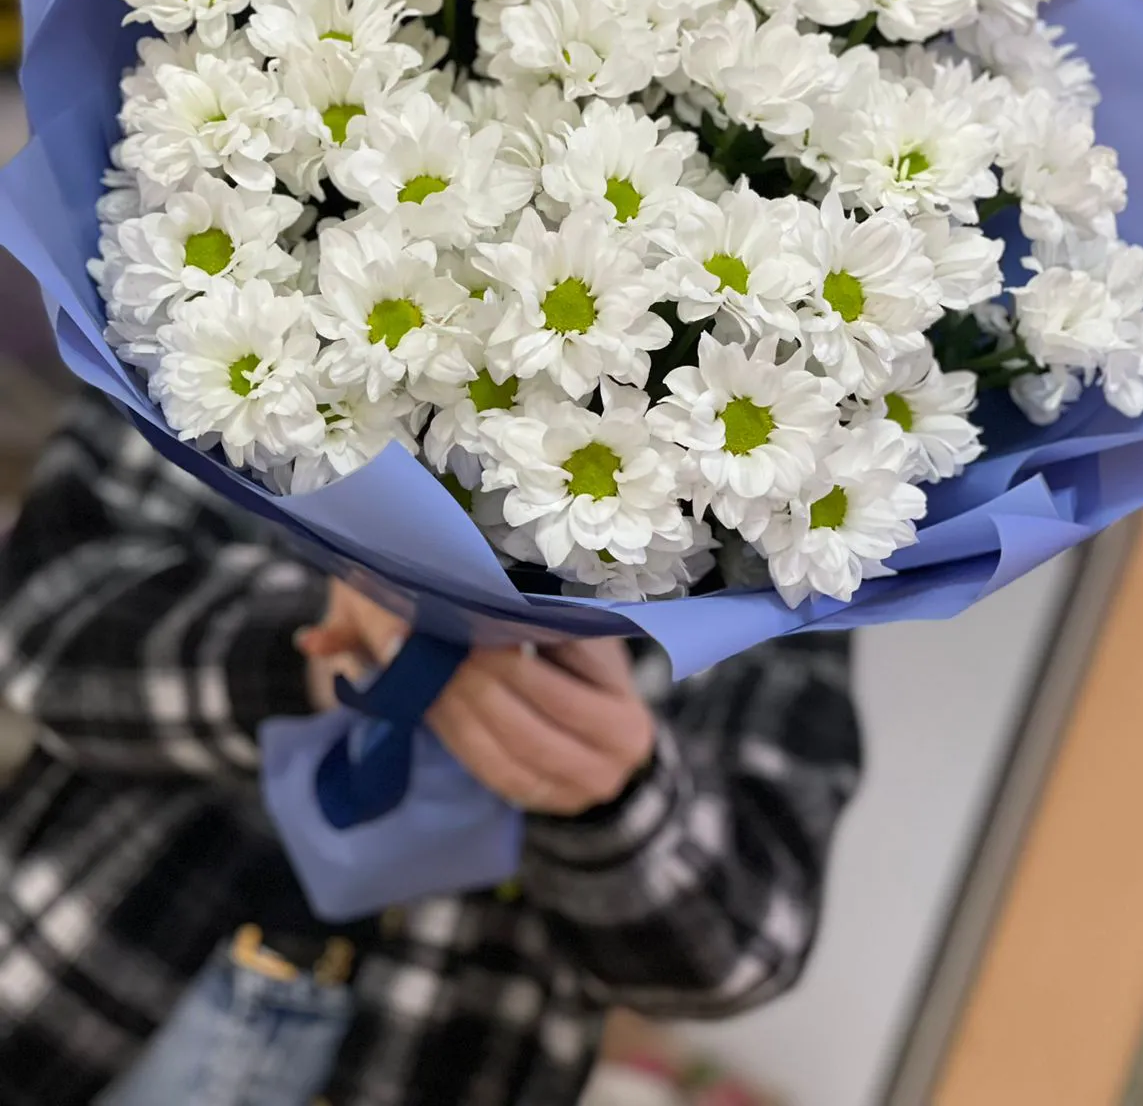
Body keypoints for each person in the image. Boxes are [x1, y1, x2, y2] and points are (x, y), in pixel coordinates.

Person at [0, 394, 860, 1106]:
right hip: (66, 979)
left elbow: (744, 953)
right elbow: (41, 624)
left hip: (446, 1055)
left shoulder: (786, 520)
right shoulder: (243, 317)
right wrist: (321, 639)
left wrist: (619, 801)